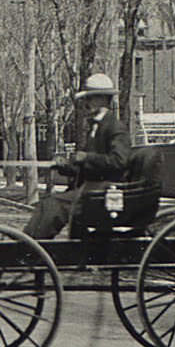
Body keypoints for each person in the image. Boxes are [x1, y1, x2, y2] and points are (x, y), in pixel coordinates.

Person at [23, 71, 151, 239]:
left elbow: (119, 161)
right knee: (45, 204)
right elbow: (90, 167)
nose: (86, 103)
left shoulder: (115, 127)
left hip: (104, 192)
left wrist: (86, 157)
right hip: (92, 190)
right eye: (86, 99)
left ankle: (27, 251)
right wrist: (65, 166)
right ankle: (26, 244)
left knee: (52, 206)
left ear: (103, 99)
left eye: (90, 98)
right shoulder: (95, 127)